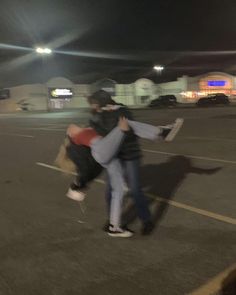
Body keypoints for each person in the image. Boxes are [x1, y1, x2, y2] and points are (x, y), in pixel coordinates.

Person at [88, 90, 184, 235]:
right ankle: (113, 221)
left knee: (135, 189)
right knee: (110, 190)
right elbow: (101, 134)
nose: (92, 106)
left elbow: (129, 131)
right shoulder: (96, 115)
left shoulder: (122, 110)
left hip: (129, 155)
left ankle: (146, 221)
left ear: (102, 101)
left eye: (94, 103)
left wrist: (118, 125)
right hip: (113, 156)